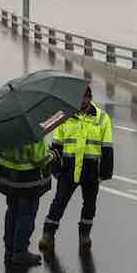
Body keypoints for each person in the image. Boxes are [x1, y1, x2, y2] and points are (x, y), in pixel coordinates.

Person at [38, 87, 114, 253]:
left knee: (89, 205)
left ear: (89, 98)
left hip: (91, 170)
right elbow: (56, 145)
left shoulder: (102, 118)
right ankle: (48, 235)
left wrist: (105, 173)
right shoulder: (63, 116)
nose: (81, 102)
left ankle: (84, 236)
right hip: (68, 169)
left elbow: (107, 147)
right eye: (79, 98)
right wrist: (56, 170)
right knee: (59, 203)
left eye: (85, 98)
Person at [0, 139, 54, 266]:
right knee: (26, 216)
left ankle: (10, 249)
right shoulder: (30, 133)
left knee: (12, 212)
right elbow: (41, 158)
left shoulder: (5, 128)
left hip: (9, 178)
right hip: (27, 180)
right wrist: (53, 155)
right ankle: (20, 252)